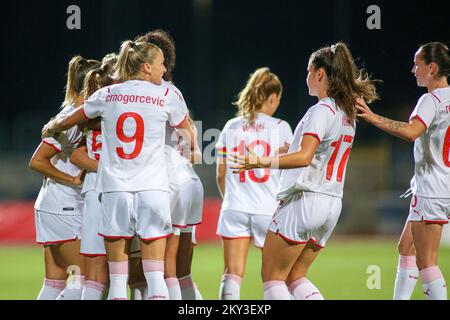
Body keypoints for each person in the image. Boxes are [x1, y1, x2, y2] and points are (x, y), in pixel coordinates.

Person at [42, 40, 197, 300]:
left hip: (114, 193)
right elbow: (190, 137)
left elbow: (71, 118)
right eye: (160, 63)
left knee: (116, 280)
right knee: (155, 275)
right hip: (152, 190)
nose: (164, 68)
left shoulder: (108, 94)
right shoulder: (164, 95)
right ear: (147, 67)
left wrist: (53, 126)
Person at [231, 42, 378, 300]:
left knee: (272, 278)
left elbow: (304, 157)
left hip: (305, 200)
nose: (306, 76)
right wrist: (291, 148)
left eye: (309, 71)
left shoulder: (321, 110)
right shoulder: (346, 113)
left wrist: (260, 161)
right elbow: (315, 151)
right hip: (331, 204)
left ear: (320, 73)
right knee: (295, 277)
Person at [356, 41, 450, 300]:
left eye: (417, 65)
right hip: (442, 186)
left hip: (432, 188)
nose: (412, 70)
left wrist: (373, 118)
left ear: (431, 68)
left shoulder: (430, 100)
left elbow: (411, 132)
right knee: (405, 248)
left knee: (427, 262)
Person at [129, 29, 204, 300]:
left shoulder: (128, 93)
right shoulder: (173, 92)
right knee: (181, 271)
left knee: (151, 271)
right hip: (187, 180)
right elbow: (193, 143)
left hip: (157, 184)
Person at [215, 67, 293, 299]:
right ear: (272, 98)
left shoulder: (232, 126)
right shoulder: (281, 127)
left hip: (235, 207)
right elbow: (291, 170)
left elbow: (220, 174)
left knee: (232, 274)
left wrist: (231, 199)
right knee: (276, 279)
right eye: (277, 99)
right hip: (268, 210)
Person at [30, 55, 100, 300]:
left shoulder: (72, 116)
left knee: (55, 281)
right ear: (92, 84)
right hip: (64, 206)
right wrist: (71, 180)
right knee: (87, 280)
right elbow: (37, 160)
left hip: (53, 205)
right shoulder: (71, 119)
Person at [69, 53, 118, 299]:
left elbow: (76, 155)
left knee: (94, 276)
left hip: (93, 190)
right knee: (125, 274)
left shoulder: (86, 115)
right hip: (122, 190)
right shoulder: (122, 108)